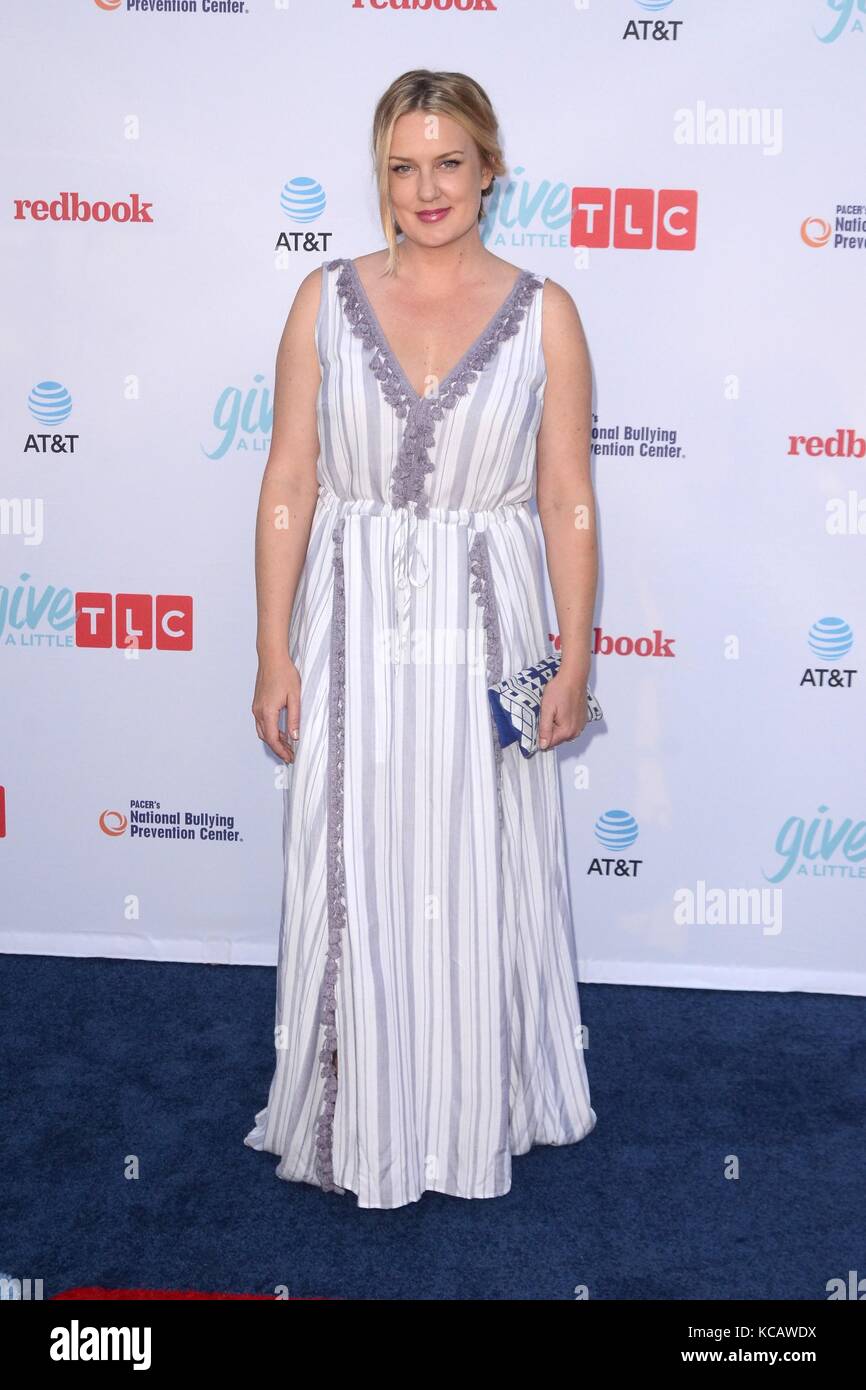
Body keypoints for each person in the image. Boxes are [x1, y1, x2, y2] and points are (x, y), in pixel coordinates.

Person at [245, 68, 599, 1210]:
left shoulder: (545, 313)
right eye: (403, 166)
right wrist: (272, 648)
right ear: (380, 176)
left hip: (486, 620)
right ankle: (358, 1112)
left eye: (449, 162)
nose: (426, 187)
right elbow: (289, 482)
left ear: (491, 170)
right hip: (349, 620)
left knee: (477, 864)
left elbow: (565, 496)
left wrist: (575, 654)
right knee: (350, 860)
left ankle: (472, 1108)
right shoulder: (322, 299)